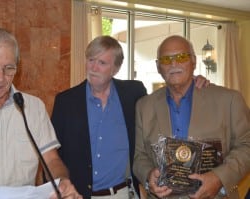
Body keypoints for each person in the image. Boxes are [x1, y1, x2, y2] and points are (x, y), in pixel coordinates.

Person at [51, 35, 209, 199]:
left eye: (102, 63)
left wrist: (193, 81)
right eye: (91, 60)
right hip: (79, 195)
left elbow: (165, 98)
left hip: (123, 193)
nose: (93, 68)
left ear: (116, 69)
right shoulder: (66, 101)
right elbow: (52, 156)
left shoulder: (133, 93)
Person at [0, 27, 82, 199]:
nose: (0, 77)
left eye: (9, 68)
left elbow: (51, 161)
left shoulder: (33, 107)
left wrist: (62, 182)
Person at [133, 35, 250, 199]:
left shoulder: (229, 100)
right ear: (158, 66)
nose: (174, 64)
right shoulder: (144, 106)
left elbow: (246, 145)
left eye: (181, 57)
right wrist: (148, 175)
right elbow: (139, 155)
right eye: (166, 59)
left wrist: (219, 178)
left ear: (193, 61)